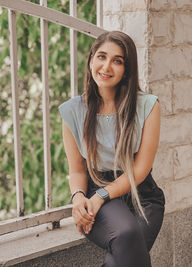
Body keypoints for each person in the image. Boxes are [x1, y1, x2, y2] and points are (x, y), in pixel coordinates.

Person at [59, 31, 165, 267]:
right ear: (91, 60)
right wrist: (78, 198)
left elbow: (141, 169)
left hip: (142, 195)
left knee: (123, 259)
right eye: (101, 56)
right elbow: (77, 170)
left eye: (117, 61)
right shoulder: (72, 111)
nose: (106, 66)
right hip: (97, 188)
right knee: (127, 235)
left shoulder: (147, 106)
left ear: (127, 69)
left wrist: (101, 196)